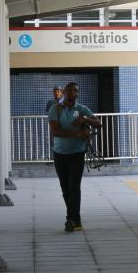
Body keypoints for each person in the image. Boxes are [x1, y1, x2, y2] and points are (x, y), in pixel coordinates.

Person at [48, 82, 101, 232]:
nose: (73, 93)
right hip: (60, 154)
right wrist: (77, 133)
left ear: (78, 93)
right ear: (63, 92)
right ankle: (72, 218)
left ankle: (73, 219)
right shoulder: (55, 109)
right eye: (70, 90)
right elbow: (55, 132)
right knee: (65, 188)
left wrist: (85, 119)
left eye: (75, 91)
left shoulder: (82, 109)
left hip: (77, 153)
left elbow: (99, 123)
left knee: (74, 186)